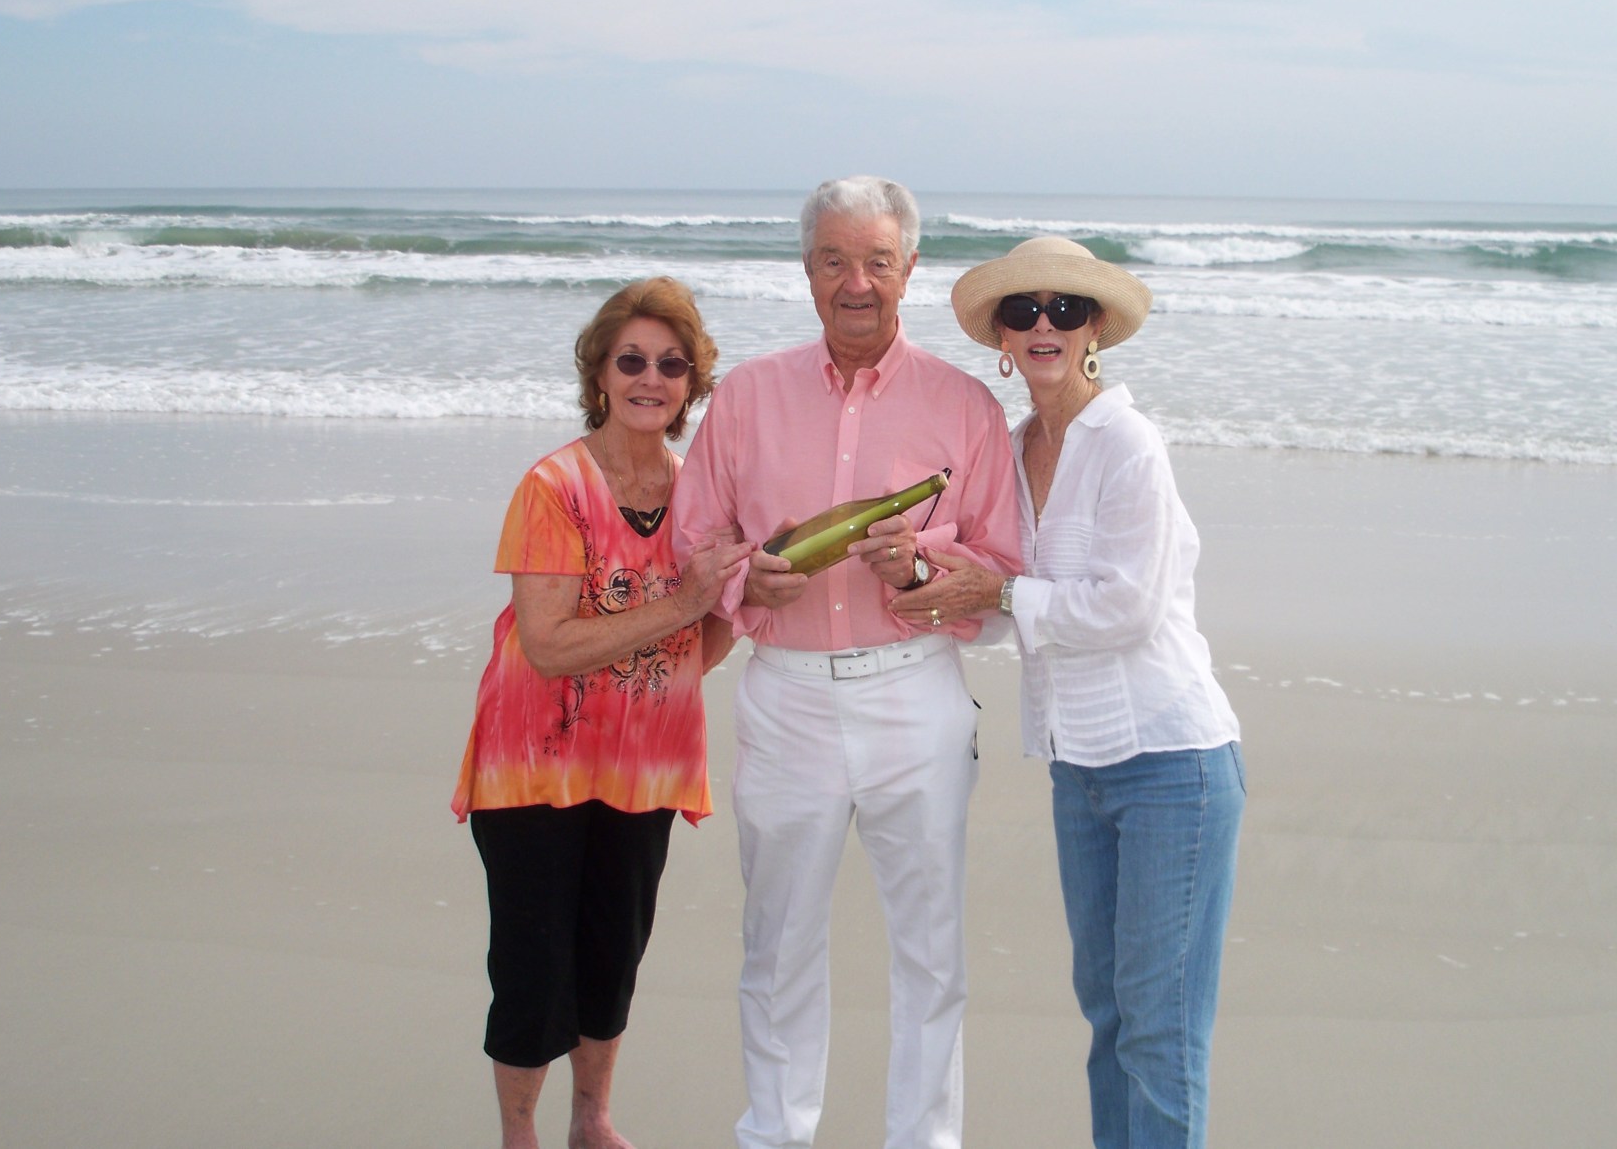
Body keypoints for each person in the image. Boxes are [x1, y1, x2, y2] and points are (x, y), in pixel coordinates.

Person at [670, 176, 1023, 1149]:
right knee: (776, 944)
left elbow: (1004, 568)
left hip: (916, 696)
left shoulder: (962, 409)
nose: (855, 281)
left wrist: (921, 566)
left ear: (909, 267)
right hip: (785, 698)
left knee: (930, 952)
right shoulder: (745, 397)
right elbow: (693, 543)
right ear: (807, 269)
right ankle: (775, 1135)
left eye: (875, 260)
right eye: (833, 260)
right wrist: (747, 582)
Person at [888, 236, 1245, 1149]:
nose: (1043, 324)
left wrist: (995, 592)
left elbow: (1126, 607)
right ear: (1001, 339)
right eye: (1023, 311)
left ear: (1095, 331)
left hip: (1173, 762)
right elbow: (1008, 599)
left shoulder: (1129, 442)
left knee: (1160, 1029)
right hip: (1076, 765)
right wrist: (931, 584)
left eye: (1064, 309)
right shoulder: (1008, 449)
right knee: (1108, 1014)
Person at [450, 277, 754, 1149]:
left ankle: (593, 1120)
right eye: (632, 361)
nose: (650, 378)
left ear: (692, 382)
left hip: (643, 763)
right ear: (601, 374)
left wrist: (732, 601)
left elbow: (700, 649)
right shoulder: (553, 485)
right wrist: (684, 601)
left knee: (611, 956)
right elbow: (547, 645)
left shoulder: (701, 493)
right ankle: (520, 1134)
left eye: (671, 364)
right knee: (532, 967)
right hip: (534, 761)